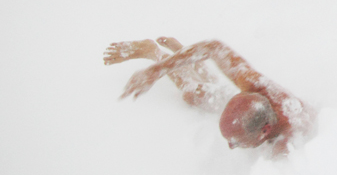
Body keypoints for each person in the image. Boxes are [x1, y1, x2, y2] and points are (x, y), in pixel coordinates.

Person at [104, 37, 315, 156]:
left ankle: (182, 57)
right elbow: (214, 48)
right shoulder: (254, 84)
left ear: (266, 130)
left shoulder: (290, 138)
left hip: (263, 114)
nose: (231, 146)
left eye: (236, 142)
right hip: (251, 108)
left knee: (196, 93)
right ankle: (153, 52)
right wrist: (155, 70)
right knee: (191, 94)